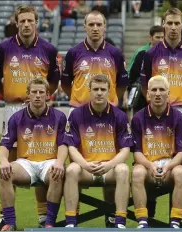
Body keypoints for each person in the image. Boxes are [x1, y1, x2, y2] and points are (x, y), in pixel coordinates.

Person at [0, 6, 61, 230]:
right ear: (16, 22)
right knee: (10, 163)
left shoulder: (48, 49)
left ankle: (43, 216)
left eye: (30, 20)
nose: (26, 24)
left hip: (40, 105)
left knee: (43, 156)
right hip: (13, 108)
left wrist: (38, 97)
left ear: (36, 22)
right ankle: (5, 216)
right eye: (22, 21)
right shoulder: (4, 47)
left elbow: (53, 80)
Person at [63, 75, 133, 228]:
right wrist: (85, 165)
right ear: (89, 91)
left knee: (123, 169)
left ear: (109, 92)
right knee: (71, 169)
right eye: (95, 89)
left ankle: (120, 221)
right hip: (86, 168)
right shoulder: (76, 114)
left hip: (110, 168)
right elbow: (71, 147)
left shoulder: (119, 115)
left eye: (103, 89)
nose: (99, 93)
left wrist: (110, 165)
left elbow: (126, 149)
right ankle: (70, 222)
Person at [0, 78, 67, 231]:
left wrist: (60, 162)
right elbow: (4, 145)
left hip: (49, 161)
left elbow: (63, 145)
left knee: (57, 173)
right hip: (25, 163)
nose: (37, 95)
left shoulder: (59, 116)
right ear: (28, 95)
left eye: (41, 92)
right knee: (4, 173)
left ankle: (49, 223)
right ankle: (10, 222)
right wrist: (3, 161)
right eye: (34, 92)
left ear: (48, 95)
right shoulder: (16, 117)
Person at [131, 76, 182, 228]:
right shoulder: (137, 118)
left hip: (171, 164)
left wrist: (168, 167)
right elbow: (136, 152)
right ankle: (142, 220)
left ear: (168, 94)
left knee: (181, 173)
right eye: (154, 90)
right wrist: (150, 165)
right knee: (136, 173)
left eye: (162, 90)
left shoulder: (178, 117)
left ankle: (175, 220)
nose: (157, 94)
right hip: (147, 164)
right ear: (147, 94)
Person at [140, 7, 182, 135]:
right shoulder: (151, 54)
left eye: (177, 23)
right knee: (159, 152)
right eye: (170, 23)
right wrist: (156, 103)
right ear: (163, 24)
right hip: (158, 110)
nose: (173, 27)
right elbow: (145, 85)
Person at [62, 10, 129, 112]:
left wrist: (110, 100)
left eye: (99, 24)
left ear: (104, 27)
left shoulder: (115, 53)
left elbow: (122, 85)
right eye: (91, 24)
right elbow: (65, 84)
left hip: (108, 111)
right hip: (79, 110)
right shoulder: (73, 53)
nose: (95, 28)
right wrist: (79, 100)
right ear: (85, 27)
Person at [125, 25, 163, 114]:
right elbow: (131, 76)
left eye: (162, 37)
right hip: (141, 100)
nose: (161, 40)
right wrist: (126, 97)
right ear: (151, 38)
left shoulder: (167, 54)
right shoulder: (141, 53)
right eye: (158, 37)